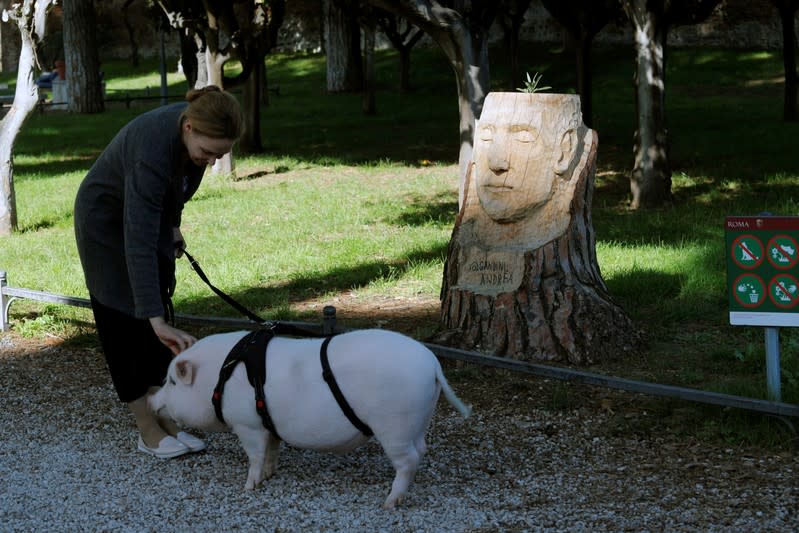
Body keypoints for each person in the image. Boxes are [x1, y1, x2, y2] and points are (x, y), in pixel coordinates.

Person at [74, 85, 244, 459]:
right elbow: (137, 244)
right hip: (106, 223)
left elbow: (177, 191)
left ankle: (166, 418)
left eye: (221, 154)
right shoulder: (151, 152)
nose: (213, 161)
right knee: (123, 317)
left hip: (146, 214)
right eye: (209, 152)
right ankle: (147, 429)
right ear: (188, 129)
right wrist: (153, 317)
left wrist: (173, 226)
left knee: (156, 300)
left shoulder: (194, 146)